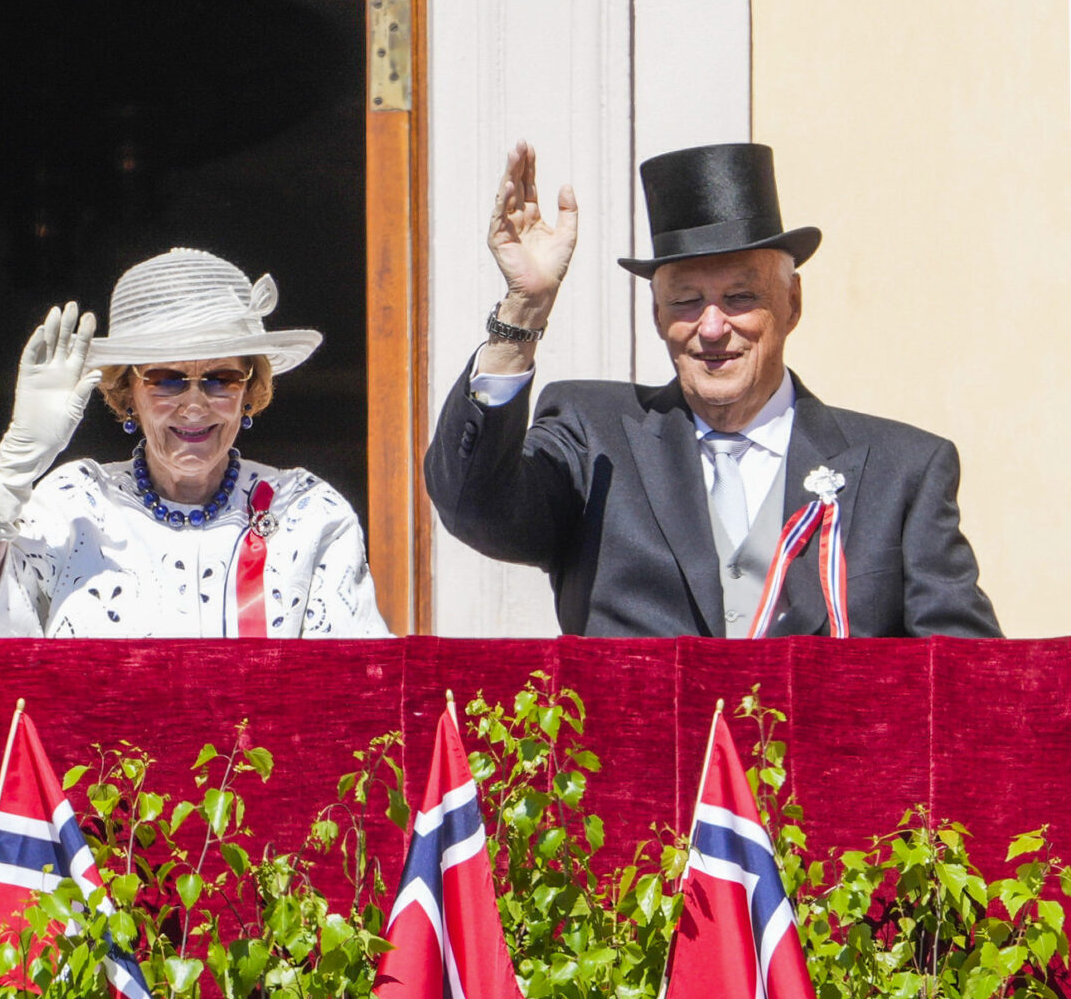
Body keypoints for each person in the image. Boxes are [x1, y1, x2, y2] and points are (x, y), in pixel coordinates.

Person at [426, 141, 999, 637]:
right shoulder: (591, 435)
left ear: (792, 304)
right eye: (686, 301)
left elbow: (970, 683)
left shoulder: (904, 471)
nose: (712, 327)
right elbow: (474, 509)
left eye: (741, 298)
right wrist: (522, 312)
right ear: (657, 314)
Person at [0, 249, 387, 638]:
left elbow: (359, 687)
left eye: (221, 378)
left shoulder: (308, 511)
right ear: (128, 392)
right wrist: (16, 467)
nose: (194, 406)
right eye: (165, 379)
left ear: (249, 389)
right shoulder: (72, 506)